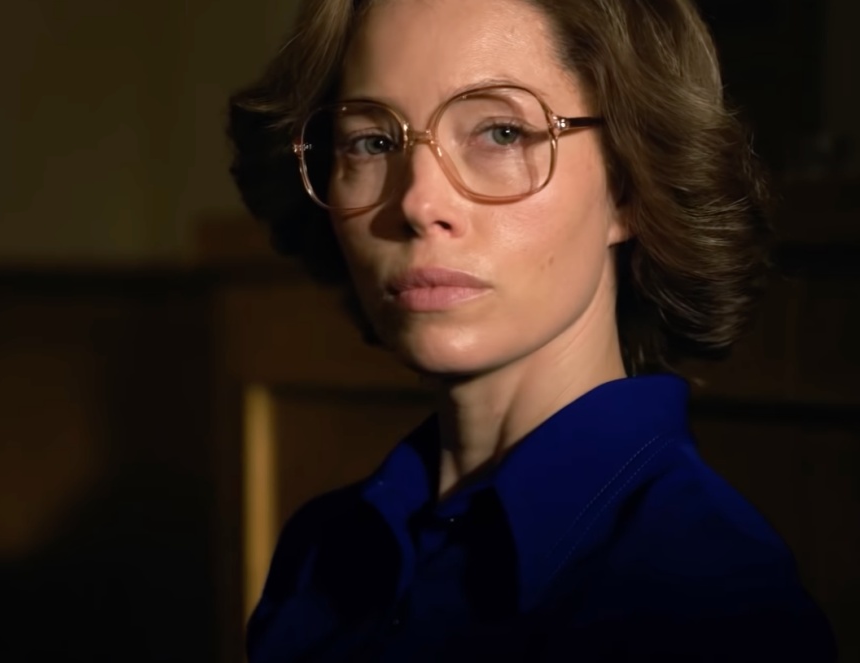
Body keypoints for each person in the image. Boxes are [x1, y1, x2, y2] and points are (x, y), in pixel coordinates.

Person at [226, 0, 836, 661]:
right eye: (372, 142)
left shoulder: (714, 598)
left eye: (501, 133)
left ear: (629, 185)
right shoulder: (323, 553)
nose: (418, 202)